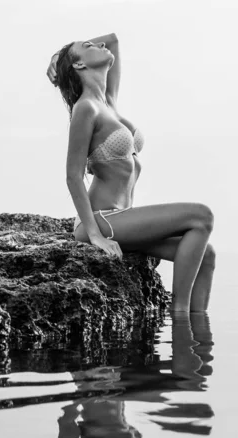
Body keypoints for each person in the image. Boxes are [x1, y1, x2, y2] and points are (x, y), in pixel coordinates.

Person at [46, 34, 216, 314]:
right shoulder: (85, 108)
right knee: (202, 216)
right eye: (88, 47)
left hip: (124, 218)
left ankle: (198, 347)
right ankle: (180, 317)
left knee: (206, 255)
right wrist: (95, 235)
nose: (98, 45)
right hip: (103, 221)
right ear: (78, 66)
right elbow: (73, 176)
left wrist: (58, 59)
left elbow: (112, 40)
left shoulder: (108, 101)